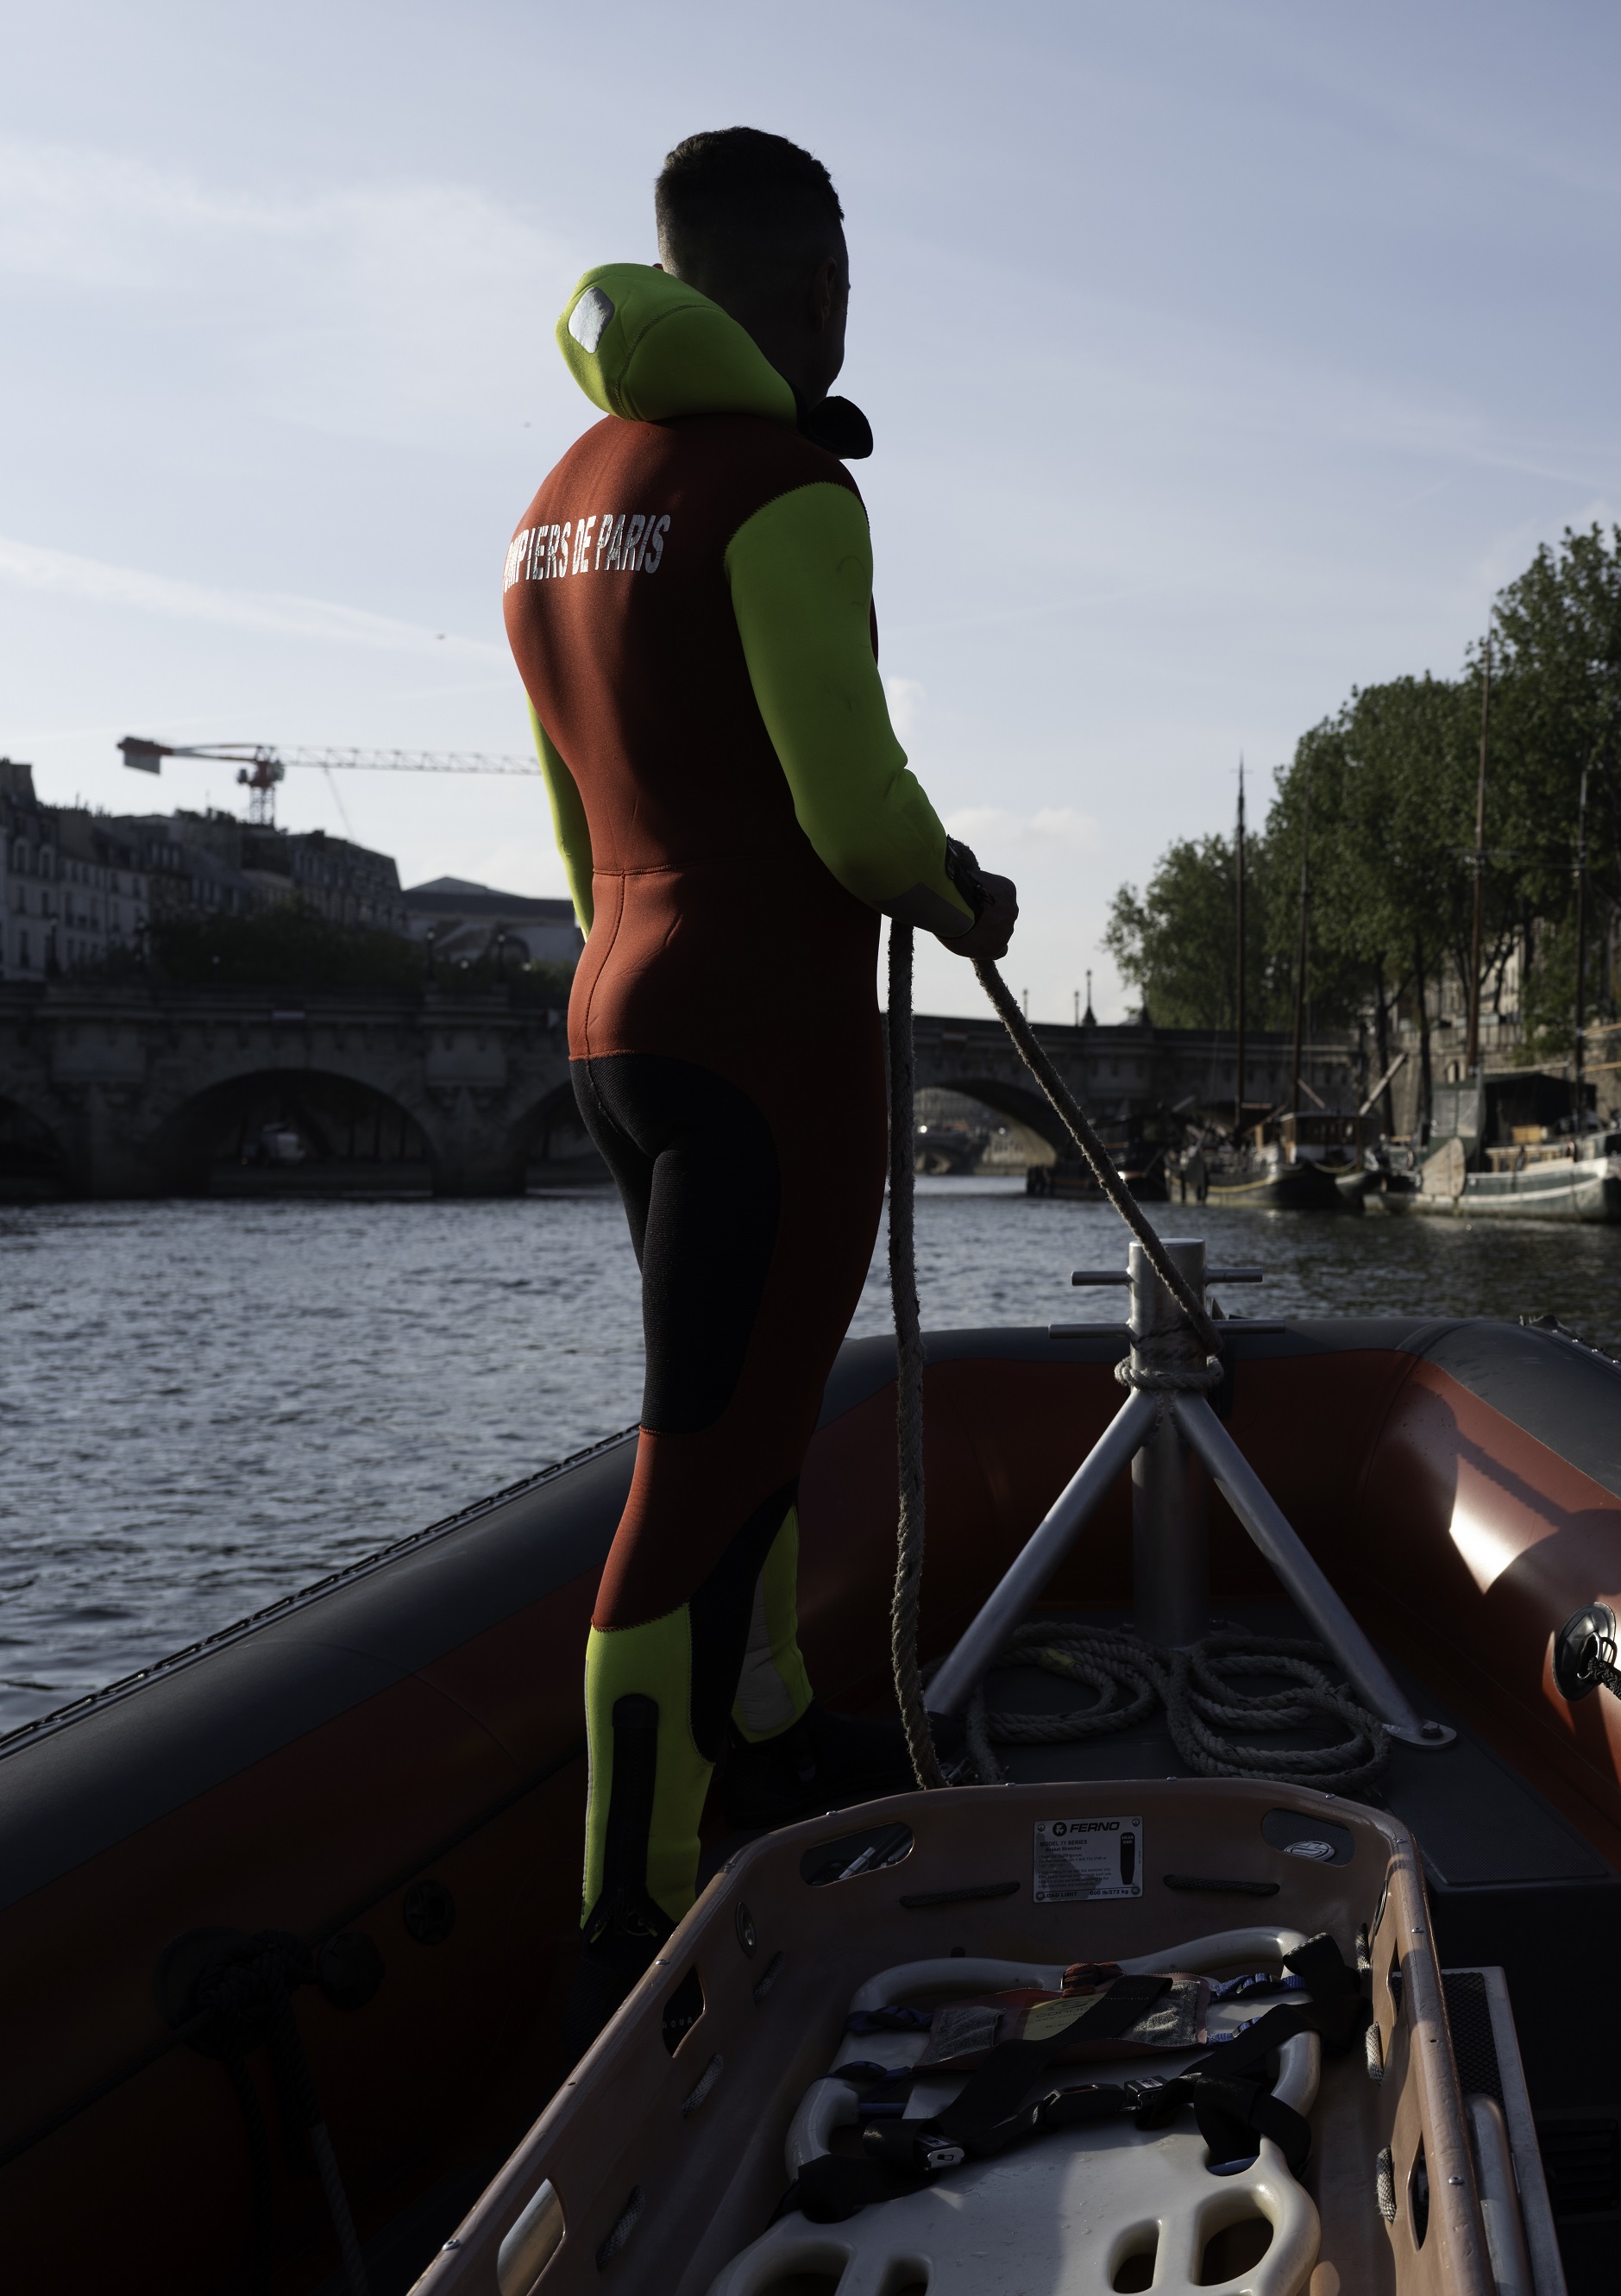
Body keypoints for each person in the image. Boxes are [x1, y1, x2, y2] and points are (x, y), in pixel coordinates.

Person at [502, 128, 1016, 2001]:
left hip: (616, 1017)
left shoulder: (556, 508)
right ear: (818, 290)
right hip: (762, 1034)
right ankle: (628, 1906)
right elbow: (854, 813)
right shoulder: (786, 489)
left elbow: (574, 832)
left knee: (751, 1413)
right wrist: (961, 888)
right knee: (696, 1457)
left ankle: (770, 1737)